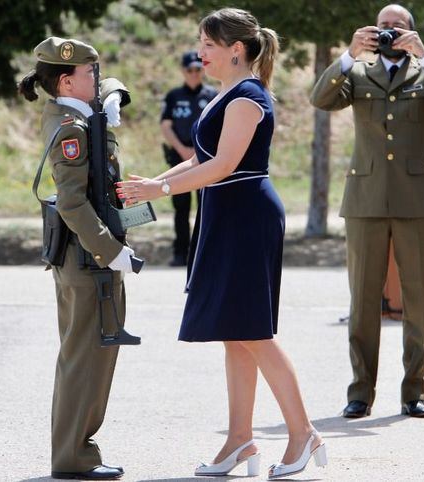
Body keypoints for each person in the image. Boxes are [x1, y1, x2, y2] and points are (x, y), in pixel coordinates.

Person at [117, 8, 326, 480]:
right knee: (235, 331)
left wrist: (163, 190)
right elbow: (200, 160)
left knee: (253, 332)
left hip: (246, 214)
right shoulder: (226, 94)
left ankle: (303, 433)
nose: (200, 52)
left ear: (236, 49)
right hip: (227, 213)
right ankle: (240, 440)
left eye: (208, 44)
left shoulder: (248, 97)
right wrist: (154, 182)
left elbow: (224, 165)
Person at [310, 4, 424, 419]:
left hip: (417, 199)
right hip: (367, 198)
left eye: (397, 28)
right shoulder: (358, 71)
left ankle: (414, 390)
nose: (389, 33)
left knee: (418, 299)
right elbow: (320, 99)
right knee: (363, 299)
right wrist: (346, 55)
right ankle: (361, 391)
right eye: (382, 27)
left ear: (411, 33)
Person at [18, 36, 137, 480]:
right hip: (89, 256)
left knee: (89, 355)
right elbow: (72, 202)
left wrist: (112, 94)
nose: (99, 79)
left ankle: (78, 451)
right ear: (67, 81)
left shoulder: (74, 113)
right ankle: (72, 457)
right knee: (84, 357)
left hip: (86, 256)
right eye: (91, 74)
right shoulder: (73, 128)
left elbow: (105, 88)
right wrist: (111, 250)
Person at [160, 51, 218, 266]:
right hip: (179, 158)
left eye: (198, 69)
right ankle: (180, 253)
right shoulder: (173, 96)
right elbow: (166, 126)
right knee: (181, 208)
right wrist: (183, 150)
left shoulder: (212, 95)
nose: (194, 74)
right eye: (190, 70)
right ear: (183, 71)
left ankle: (203, 254)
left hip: (207, 159)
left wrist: (199, 151)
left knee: (207, 207)